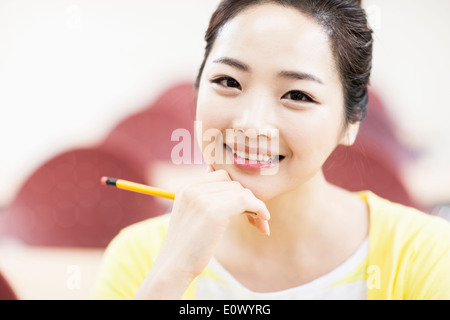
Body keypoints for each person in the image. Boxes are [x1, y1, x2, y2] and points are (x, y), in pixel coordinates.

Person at [93, 0, 450, 300]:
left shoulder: (425, 257)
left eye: (297, 95)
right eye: (228, 82)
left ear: (351, 120)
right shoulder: (142, 257)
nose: (251, 123)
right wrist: (171, 274)